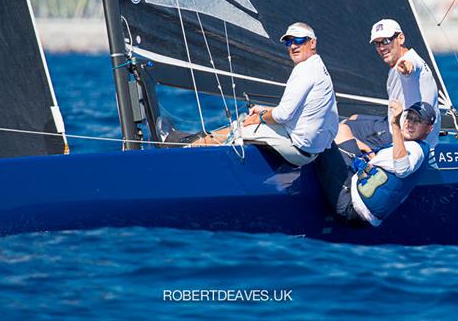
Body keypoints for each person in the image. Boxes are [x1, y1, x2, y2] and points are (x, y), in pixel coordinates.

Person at [160, 22, 339, 167]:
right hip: (312, 151)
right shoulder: (320, 69)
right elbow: (320, 117)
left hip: (297, 149)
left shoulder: (304, 70)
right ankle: (193, 143)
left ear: (312, 42)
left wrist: (260, 117)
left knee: (239, 127)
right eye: (288, 42)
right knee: (249, 122)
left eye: (298, 40)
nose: (293, 46)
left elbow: (283, 114)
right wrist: (265, 111)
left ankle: (183, 151)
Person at [315, 100, 434, 226]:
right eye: (409, 117)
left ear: (429, 129)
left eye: (418, 121)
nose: (411, 123)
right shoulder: (410, 147)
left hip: (350, 204)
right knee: (343, 130)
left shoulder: (415, 150)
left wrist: (395, 124)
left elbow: (401, 168)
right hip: (360, 207)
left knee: (323, 134)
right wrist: (363, 146)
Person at [336, 18, 440, 152]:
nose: (381, 48)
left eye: (386, 41)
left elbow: (411, 67)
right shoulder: (404, 60)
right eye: (377, 43)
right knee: (353, 118)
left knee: (341, 129)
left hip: (403, 136)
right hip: (405, 127)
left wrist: (408, 68)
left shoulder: (408, 61)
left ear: (401, 38)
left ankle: (367, 161)